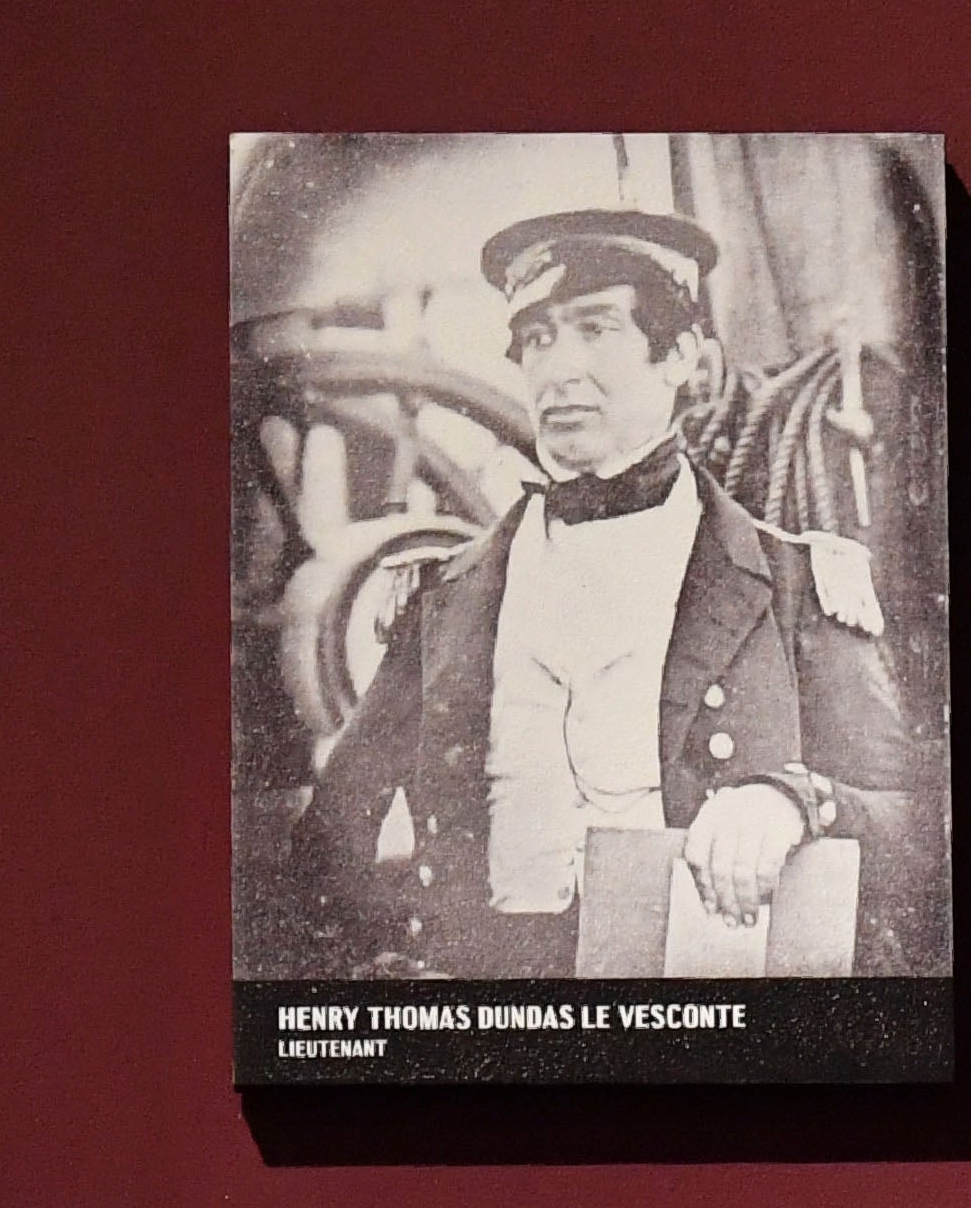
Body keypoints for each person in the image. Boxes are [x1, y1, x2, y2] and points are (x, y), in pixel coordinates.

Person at [285, 208, 930, 977]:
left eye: (595, 329)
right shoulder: (444, 599)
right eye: (536, 339)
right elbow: (326, 843)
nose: (558, 369)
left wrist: (796, 802)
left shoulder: (797, 584)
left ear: (681, 355)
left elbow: (920, 827)